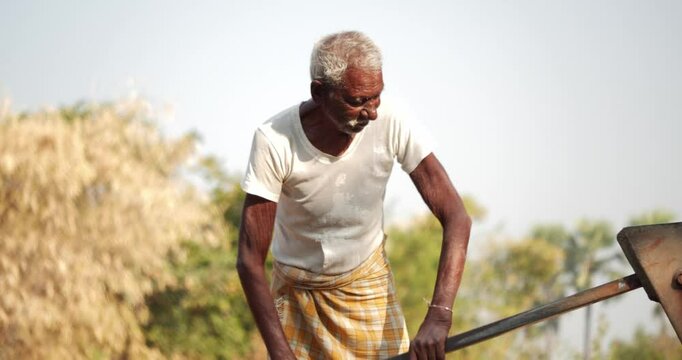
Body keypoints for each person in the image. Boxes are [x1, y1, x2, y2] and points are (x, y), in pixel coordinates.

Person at [237, 31, 471, 360]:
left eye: (376, 97)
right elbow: (249, 259)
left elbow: (456, 217)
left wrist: (439, 315)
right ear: (319, 92)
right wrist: (280, 352)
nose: (371, 112)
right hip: (297, 297)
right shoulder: (274, 140)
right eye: (357, 101)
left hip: (368, 288)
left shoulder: (393, 120)